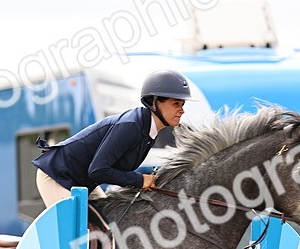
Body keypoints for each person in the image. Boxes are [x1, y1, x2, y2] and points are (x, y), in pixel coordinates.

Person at [31, 69, 192, 207]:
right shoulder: (131, 126)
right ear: (154, 103)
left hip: (83, 181)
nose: (182, 110)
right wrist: (140, 180)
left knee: (110, 226)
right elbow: (98, 170)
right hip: (56, 175)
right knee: (74, 235)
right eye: (176, 104)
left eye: (183, 105)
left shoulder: (149, 131)